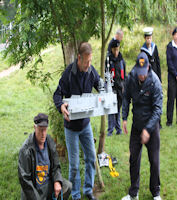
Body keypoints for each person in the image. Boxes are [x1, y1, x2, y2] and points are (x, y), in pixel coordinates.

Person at [53, 42, 99, 200]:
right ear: (79, 58)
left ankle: (88, 190)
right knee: (73, 166)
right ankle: (76, 195)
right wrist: (61, 107)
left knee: (91, 158)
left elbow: (100, 85)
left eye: (91, 61)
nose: (89, 64)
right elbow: (57, 95)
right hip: (71, 128)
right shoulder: (68, 74)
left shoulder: (91, 71)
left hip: (85, 125)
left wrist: (106, 92)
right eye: (86, 61)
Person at [121, 52, 163, 200]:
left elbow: (158, 110)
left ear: (148, 67)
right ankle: (133, 193)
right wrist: (124, 117)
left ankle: (156, 192)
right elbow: (125, 98)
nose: (141, 76)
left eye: (143, 73)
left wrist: (148, 129)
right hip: (137, 125)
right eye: (139, 73)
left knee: (154, 160)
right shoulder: (131, 78)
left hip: (151, 127)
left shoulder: (155, 82)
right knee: (133, 159)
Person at [18, 113, 72, 200]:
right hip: (34, 188)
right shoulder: (26, 150)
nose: (43, 134)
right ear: (34, 128)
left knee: (67, 186)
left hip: (47, 183)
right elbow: (25, 180)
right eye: (40, 130)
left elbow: (56, 165)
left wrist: (57, 181)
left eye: (45, 130)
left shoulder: (49, 141)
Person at [141, 27, 162, 128]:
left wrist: (160, 79)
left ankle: (159, 122)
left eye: (150, 38)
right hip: (148, 78)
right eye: (147, 38)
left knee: (158, 99)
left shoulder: (155, 47)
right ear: (145, 38)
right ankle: (149, 121)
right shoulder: (143, 50)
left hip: (156, 77)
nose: (149, 40)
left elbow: (158, 63)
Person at [106, 39, 126, 136]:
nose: (116, 52)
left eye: (118, 49)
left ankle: (118, 129)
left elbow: (124, 75)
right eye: (115, 50)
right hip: (112, 87)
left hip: (120, 87)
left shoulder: (122, 60)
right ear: (112, 49)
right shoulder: (108, 60)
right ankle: (110, 129)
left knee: (118, 108)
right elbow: (106, 75)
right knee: (111, 109)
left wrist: (124, 86)